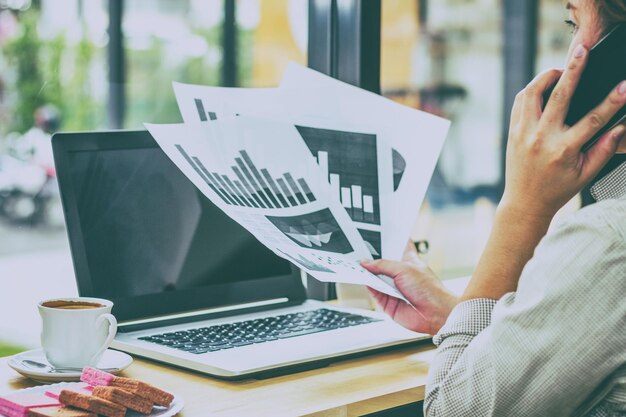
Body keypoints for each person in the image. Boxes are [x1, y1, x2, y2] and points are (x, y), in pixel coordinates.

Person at [361, 1, 626, 416]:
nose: (572, 53)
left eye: (573, 24)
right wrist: (459, 316)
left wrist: (522, 208)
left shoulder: (610, 239)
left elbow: (451, 410)